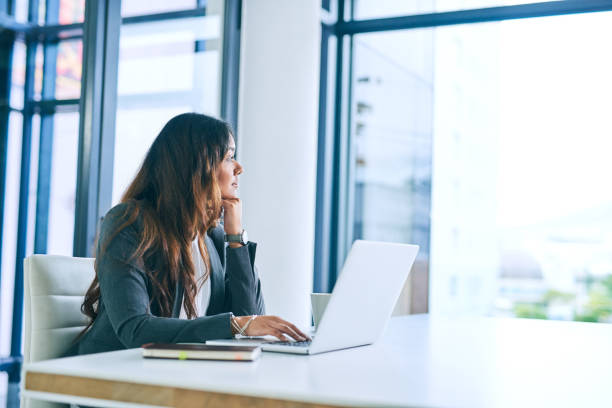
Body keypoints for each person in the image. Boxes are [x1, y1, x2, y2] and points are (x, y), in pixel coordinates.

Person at [69, 113, 308, 356]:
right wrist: (235, 325)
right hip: (110, 372)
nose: (239, 167)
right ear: (195, 167)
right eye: (229, 157)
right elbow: (135, 330)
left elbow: (249, 321)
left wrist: (235, 239)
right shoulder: (129, 224)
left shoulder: (211, 238)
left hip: (177, 370)